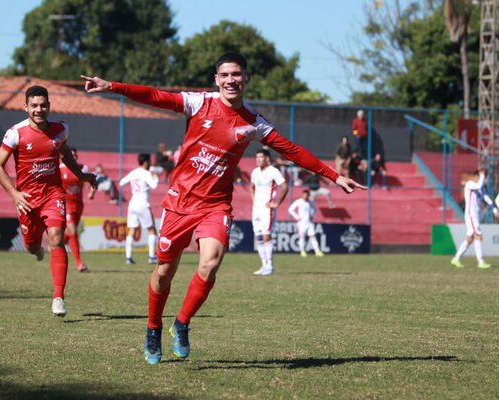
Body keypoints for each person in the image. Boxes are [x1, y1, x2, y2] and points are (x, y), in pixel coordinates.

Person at [81, 51, 364, 365]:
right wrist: (113, 87)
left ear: (246, 78)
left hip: (216, 206)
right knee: (164, 271)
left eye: (237, 74)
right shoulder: (199, 103)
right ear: (216, 79)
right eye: (225, 75)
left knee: (210, 263)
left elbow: (292, 149)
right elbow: (156, 97)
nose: (231, 80)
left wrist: (334, 175)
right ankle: (153, 327)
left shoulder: (254, 123)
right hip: (179, 204)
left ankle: (182, 323)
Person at [0, 85, 97, 317]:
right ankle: (36, 250)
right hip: (27, 199)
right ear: (26, 107)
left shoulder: (61, 129)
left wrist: (82, 175)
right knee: (31, 245)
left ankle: (58, 297)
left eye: (42, 105)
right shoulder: (15, 133)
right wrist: (14, 194)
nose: (38, 110)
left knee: (57, 238)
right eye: (34, 106)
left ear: (48, 106)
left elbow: (65, 153)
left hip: (53, 194)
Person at [250, 148, 288, 276]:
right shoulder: (255, 172)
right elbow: (252, 187)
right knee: (258, 237)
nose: (258, 159)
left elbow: (284, 187)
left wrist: (277, 203)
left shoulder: (273, 171)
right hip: (257, 209)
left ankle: (270, 266)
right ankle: (264, 265)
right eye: (257, 157)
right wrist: (254, 201)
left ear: (267, 158)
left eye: (260, 157)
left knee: (266, 236)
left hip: (267, 209)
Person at [60, 147, 97, 272]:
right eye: (71, 155)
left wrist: (92, 192)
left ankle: (56, 244)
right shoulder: (60, 169)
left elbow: (92, 180)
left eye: (75, 156)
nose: (73, 157)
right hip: (66, 205)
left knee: (69, 234)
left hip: (78, 205)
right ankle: (79, 263)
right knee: (73, 231)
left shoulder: (83, 168)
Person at [119, 153, 159, 265]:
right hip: (143, 204)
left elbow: (121, 182)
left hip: (132, 204)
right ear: (146, 162)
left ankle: (128, 257)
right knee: (152, 230)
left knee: (132, 230)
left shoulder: (134, 172)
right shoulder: (146, 173)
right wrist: (155, 178)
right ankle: (151, 257)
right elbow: (154, 185)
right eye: (150, 161)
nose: (150, 163)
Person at [451, 170, 494, 269]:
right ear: (475, 176)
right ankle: (480, 261)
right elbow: (479, 185)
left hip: (475, 215)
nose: (482, 179)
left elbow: (485, 197)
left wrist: (494, 209)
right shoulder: (470, 184)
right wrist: (482, 176)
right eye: (479, 176)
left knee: (470, 238)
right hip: (471, 215)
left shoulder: (479, 188)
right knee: (478, 235)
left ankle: (456, 259)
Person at [288, 189, 324, 257]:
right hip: (301, 223)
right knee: (302, 237)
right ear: (302, 195)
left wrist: (313, 216)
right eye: (304, 195)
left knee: (312, 236)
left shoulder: (310, 202)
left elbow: (316, 209)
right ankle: (302, 252)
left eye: (306, 195)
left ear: (308, 196)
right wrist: (297, 217)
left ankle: (317, 251)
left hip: (309, 223)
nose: (305, 196)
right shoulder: (299, 201)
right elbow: (290, 209)